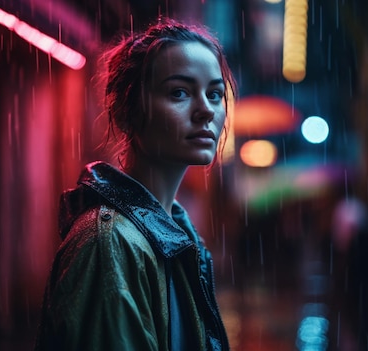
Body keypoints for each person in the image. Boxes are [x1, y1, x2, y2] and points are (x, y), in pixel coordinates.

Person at [34, 17, 237, 351]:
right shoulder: (110, 243)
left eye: (215, 94)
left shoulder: (178, 236)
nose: (206, 110)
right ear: (126, 112)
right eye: (180, 92)